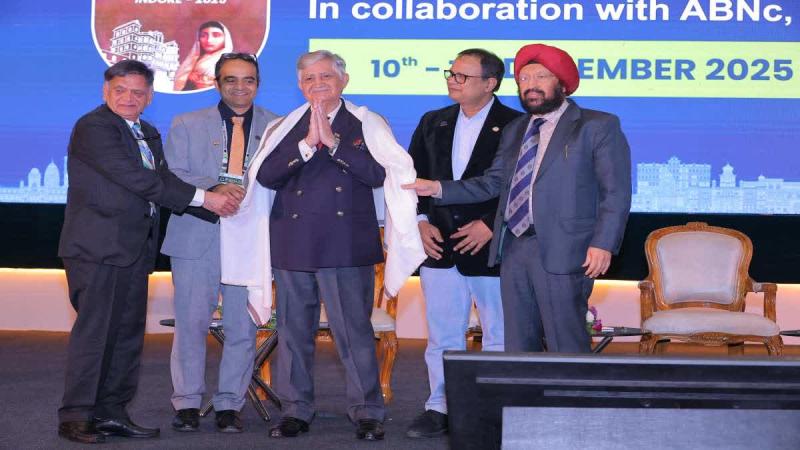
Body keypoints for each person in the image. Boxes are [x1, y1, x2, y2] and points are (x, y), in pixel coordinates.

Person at [218, 49, 424, 441]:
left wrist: (334, 144)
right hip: (293, 243)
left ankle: (367, 412)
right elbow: (267, 176)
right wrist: (306, 145)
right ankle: (295, 410)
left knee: (353, 333)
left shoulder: (366, 123)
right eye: (309, 78)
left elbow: (380, 175)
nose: (318, 84)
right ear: (300, 85)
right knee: (294, 334)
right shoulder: (285, 126)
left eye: (326, 76)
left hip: (346, 245)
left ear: (343, 80)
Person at [404, 43, 631, 354]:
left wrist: (603, 244)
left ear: (562, 83)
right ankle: (524, 390)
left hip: (565, 249)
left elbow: (615, 192)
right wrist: (439, 189)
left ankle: (572, 390)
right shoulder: (515, 129)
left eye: (540, 77)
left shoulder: (596, 126)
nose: (530, 85)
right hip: (514, 248)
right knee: (518, 345)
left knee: (566, 342)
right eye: (524, 79)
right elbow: (494, 182)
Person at [57, 60, 239, 444]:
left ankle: (111, 412)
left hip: (135, 249)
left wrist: (212, 198)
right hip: (97, 249)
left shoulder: (147, 132)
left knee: (126, 336)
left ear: (150, 96)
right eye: (120, 90)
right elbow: (137, 180)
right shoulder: (94, 127)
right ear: (106, 92)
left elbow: (164, 179)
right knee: (95, 335)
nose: (129, 98)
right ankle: (76, 417)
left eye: (138, 92)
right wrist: (206, 199)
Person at [405, 49, 522, 439]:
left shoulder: (517, 125)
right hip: (438, 245)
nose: (452, 80)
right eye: (451, 73)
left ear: (490, 84)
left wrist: (491, 225)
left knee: (499, 334)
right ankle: (440, 406)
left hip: (492, 247)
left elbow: (520, 187)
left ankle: (493, 409)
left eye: (463, 76)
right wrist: (420, 222)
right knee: (442, 334)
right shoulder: (432, 121)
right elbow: (414, 178)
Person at [161, 53, 277, 433]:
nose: (240, 87)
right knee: (191, 324)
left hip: (251, 239)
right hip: (198, 233)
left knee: (242, 327)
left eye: (248, 80)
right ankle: (187, 403)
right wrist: (213, 188)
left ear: (258, 83)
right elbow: (172, 174)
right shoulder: (186, 123)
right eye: (231, 79)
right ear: (216, 83)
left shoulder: (278, 126)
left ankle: (230, 404)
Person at [173, 21, 233, 91]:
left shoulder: (231, 61)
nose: (209, 40)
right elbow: (179, 84)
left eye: (216, 35)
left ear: (226, 38)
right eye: (203, 36)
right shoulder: (193, 60)